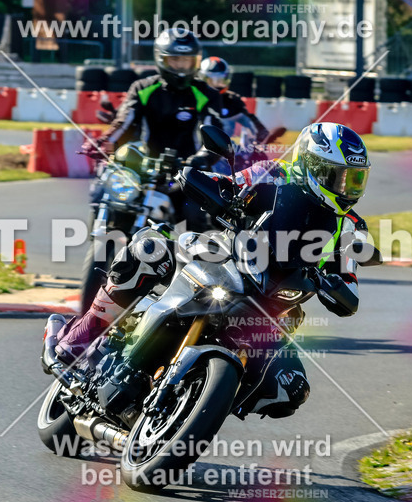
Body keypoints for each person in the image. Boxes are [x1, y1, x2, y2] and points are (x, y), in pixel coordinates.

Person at [54, 122, 371, 418]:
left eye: (356, 178)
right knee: (150, 247)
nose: (349, 187)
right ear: (311, 166)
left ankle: (196, 401)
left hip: (276, 309)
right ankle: (86, 331)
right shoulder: (272, 174)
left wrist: (334, 286)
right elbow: (229, 184)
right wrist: (208, 185)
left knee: (292, 390)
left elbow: (351, 289)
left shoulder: (351, 225)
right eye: (340, 176)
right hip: (230, 264)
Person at [99, 29, 223, 159]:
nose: (181, 65)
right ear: (161, 59)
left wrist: (202, 159)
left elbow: (214, 136)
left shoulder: (208, 94)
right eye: (175, 59)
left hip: (193, 170)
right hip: (148, 168)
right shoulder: (142, 88)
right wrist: (105, 143)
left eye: (186, 60)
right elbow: (125, 123)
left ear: (195, 61)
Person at [197, 56, 270, 143]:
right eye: (210, 80)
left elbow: (258, 128)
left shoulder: (231, 99)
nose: (216, 85)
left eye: (220, 80)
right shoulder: (191, 97)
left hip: (223, 150)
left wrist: (255, 144)